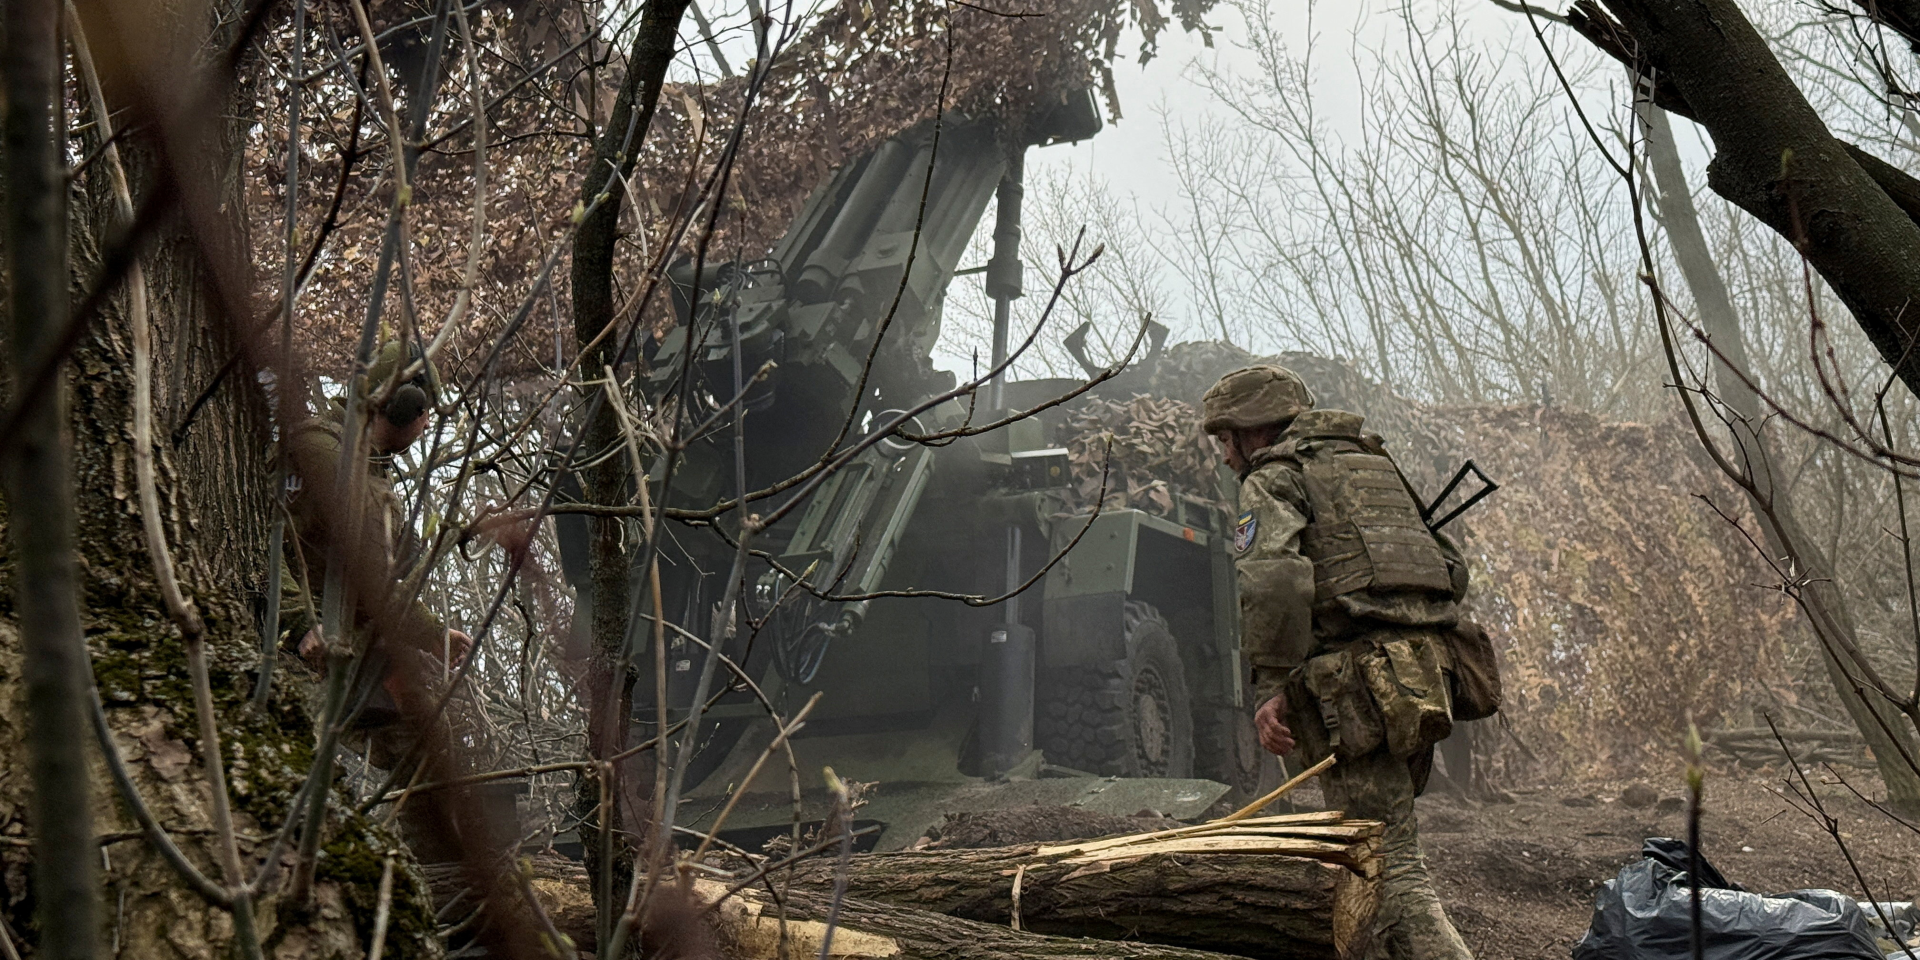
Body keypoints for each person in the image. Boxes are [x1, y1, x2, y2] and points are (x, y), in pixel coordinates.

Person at [1203, 364, 1474, 960]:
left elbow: (1273, 581)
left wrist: (1271, 685)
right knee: (1366, 868)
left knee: (1391, 869)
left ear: (1253, 430)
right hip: (1422, 678)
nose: (1223, 456)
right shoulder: (1372, 466)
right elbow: (1453, 569)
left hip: (1360, 689)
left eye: (1224, 438)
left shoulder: (1273, 479)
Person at [278, 341, 470, 774]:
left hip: (351, 642)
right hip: (302, 646)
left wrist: (433, 634)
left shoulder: (372, 468)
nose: (425, 423)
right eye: (424, 410)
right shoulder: (322, 452)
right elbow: (265, 543)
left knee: (425, 751)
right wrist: (297, 621)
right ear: (403, 403)